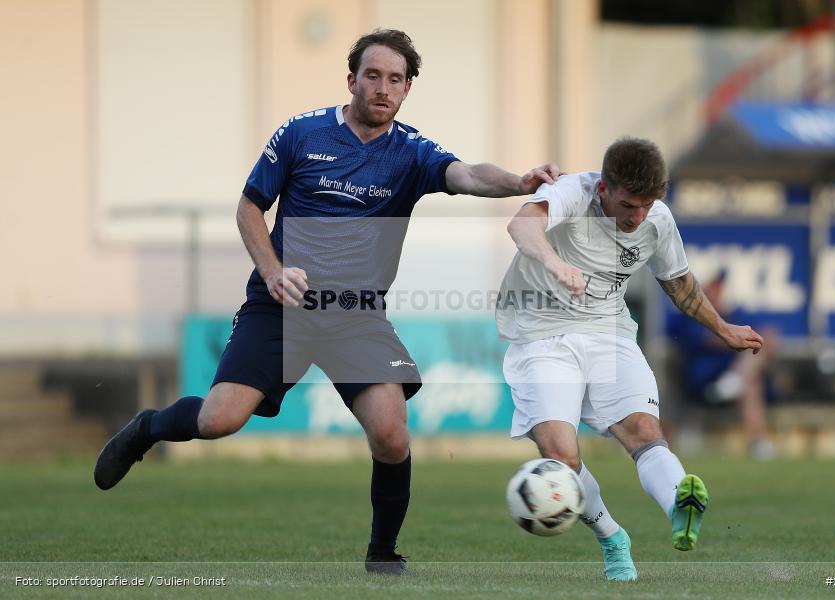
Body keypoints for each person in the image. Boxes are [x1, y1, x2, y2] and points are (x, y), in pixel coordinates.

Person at [93, 29, 560, 576]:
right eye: (372, 76)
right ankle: (148, 428)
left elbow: (467, 174)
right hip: (281, 307)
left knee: (391, 433)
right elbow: (249, 209)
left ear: (407, 89)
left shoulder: (410, 153)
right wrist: (271, 271)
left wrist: (519, 180)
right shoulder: (301, 133)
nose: (383, 88)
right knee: (220, 420)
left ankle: (383, 554)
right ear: (352, 80)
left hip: (357, 315)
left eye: (395, 80)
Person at [496, 137, 763, 582]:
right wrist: (554, 263)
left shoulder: (655, 219)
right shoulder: (572, 193)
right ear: (604, 188)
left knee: (643, 429)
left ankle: (680, 502)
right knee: (560, 457)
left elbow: (678, 282)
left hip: (608, 332)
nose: (637, 217)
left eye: (647, 205)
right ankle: (612, 537)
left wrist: (724, 329)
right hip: (541, 335)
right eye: (628, 205)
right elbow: (522, 226)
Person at [667, 272, 779, 459]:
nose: (718, 292)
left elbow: (765, 334)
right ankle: (735, 381)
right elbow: (701, 339)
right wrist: (729, 335)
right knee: (749, 379)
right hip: (704, 381)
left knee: (751, 379)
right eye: (714, 287)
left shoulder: (733, 314)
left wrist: (754, 339)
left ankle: (756, 441)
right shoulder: (692, 314)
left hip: (730, 377)